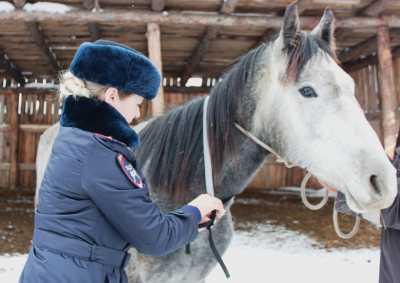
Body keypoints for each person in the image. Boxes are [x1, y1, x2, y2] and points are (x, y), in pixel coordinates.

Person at [19, 40, 225, 283]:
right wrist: (196, 209)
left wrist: (189, 220)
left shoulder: (75, 138)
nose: (137, 114)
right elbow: (154, 238)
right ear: (112, 96)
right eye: (137, 103)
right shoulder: (100, 154)